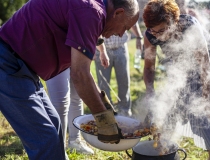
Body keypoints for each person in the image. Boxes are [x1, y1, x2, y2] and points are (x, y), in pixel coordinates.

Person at [0, 0, 139, 159]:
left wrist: (105, 106)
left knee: (55, 125)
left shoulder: (93, 11)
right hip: (7, 63)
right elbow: (80, 76)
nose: (122, 34)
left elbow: (83, 71)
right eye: (125, 28)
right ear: (118, 13)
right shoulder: (92, 12)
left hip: (23, 69)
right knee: (46, 138)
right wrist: (105, 122)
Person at [142, 0, 210, 160]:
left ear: (173, 22)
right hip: (181, 65)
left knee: (206, 112)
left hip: (209, 63)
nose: (157, 35)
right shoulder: (150, 35)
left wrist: (207, 96)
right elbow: (149, 68)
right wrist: (150, 93)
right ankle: (164, 151)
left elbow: (204, 63)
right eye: (153, 31)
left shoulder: (189, 26)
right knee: (171, 105)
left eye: (161, 30)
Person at [45, 41, 110, 154]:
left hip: (75, 52)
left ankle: (75, 140)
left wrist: (102, 50)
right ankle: (59, 148)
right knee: (60, 103)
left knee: (77, 97)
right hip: (55, 51)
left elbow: (94, 31)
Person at [95, 23, 143, 117]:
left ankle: (125, 112)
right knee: (103, 84)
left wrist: (139, 37)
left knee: (124, 81)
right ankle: (108, 112)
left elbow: (131, 20)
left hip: (121, 48)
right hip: (102, 50)